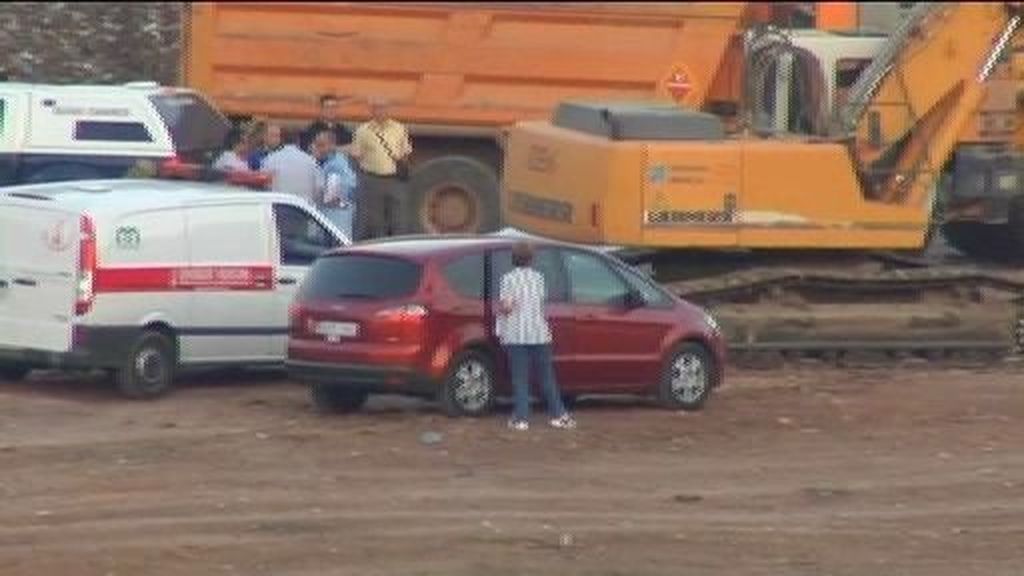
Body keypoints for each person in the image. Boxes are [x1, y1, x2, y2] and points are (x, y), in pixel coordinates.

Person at [496, 242, 576, 431]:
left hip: (516, 334)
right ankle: (559, 415)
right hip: (539, 332)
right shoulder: (539, 278)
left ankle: (521, 418)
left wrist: (500, 313)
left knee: (520, 378)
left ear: (513, 258)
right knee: (547, 377)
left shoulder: (508, 279)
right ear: (532, 259)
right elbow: (540, 302)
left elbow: (507, 306)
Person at [349, 97, 413, 241]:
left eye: (383, 108)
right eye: (377, 108)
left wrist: (402, 167)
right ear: (371, 111)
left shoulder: (399, 128)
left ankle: (400, 246)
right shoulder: (363, 131)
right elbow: (356, 155)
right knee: (376, 222)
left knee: (399, 219)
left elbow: (406, 152)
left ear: (388, 110)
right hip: (373, 179)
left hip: (394, 179)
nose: (381, 111)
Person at [312, 129, 359, 241]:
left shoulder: (335, 166)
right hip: (339, 220)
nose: (317, 149)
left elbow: (331, 198)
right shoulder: (336, 162)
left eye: (321, 145)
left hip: (335, 222)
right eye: (316, 145)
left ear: (332, 146)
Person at [260, 125, 322, 205]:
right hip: (304, 210)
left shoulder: (269, 160)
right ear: (298, 140)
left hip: (278, 208)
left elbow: (263, 185)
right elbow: (319, 188)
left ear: (281, 139)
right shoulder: (311, 161)